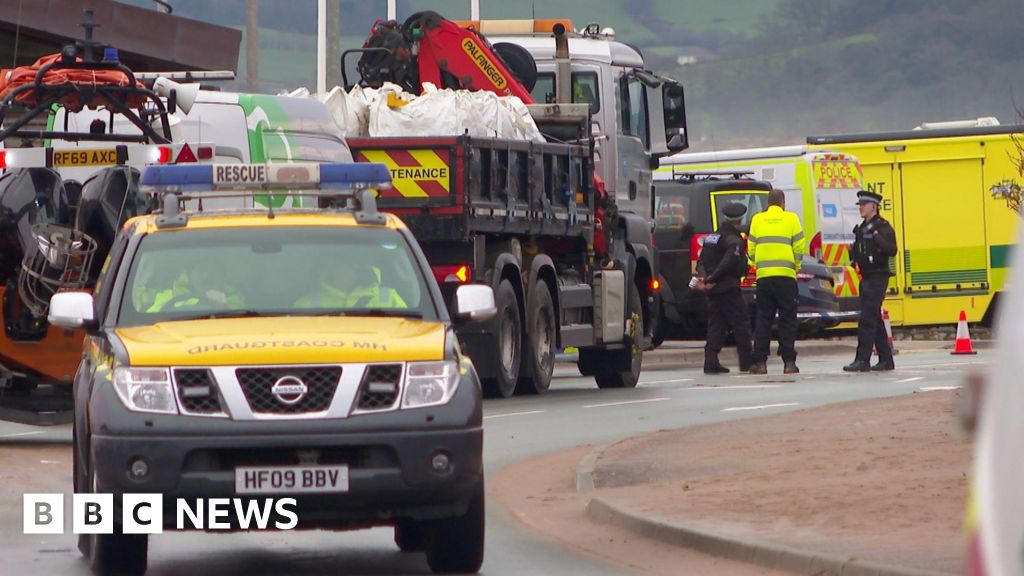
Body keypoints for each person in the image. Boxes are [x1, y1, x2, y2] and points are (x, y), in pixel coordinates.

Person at [746, 189, 805, 375]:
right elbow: (799, 246)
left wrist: (757, 264)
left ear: (767, 203)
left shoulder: (757, 219)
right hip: (786, 277)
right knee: (788, 319)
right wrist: (795, 266)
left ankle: (760, 363)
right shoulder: (792, 219)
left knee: (763, 319)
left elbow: (751, 248)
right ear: (783, 203)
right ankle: (789, 362)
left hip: (764, 277)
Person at [695, 202, 754, 374]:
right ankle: (746, 362)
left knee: (716, 324)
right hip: (728, 288)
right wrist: (713, 278)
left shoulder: (712, 237)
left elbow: (701, 261)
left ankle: (711, 360)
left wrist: (705, 279)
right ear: (739, 220)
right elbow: (728, 262)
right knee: (741, 323)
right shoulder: (734, 240)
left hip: (712, 290)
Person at [844, 190, 898, 372]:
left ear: (873, 207)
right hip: (865, 277)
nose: (861, 208)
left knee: (867, 319)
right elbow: (859, 251)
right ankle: (886, 360)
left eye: (863, 205)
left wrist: (877, 237)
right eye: (860, 205)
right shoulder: (860, 228)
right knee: (874, 318)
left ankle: (862, 359)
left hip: (878, 276)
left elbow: (892, 250)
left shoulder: (883, 227)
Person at [294, 262, 406, 309]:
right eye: (333, 264)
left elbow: (408, 329)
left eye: (345, 263)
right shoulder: (307, 303)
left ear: (358, 268)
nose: (337, 269)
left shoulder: (388, 296)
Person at [147, 259, 244, 312]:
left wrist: (224, 307)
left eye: (211, 270)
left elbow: (242, 323)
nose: (206, 276)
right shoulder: (170, 296)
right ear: (189, 275)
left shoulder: (233, 297)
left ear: (222, 276)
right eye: (201, 270)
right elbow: (151, 322)